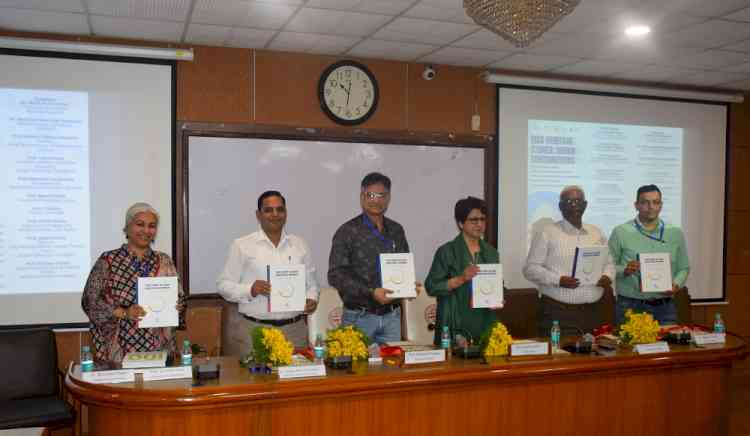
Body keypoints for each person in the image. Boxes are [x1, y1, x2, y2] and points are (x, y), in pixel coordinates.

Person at [217, 191, 320, 355]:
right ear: (258, 215)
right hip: (256, 331)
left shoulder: (300, 245)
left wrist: (311, 299)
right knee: (256, 380)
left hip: (295, 331)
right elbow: (223, 285)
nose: (275, 214)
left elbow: (312, 285)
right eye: (268, 210)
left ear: (286, 213)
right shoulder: (242, 245)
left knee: (296, 380)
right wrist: (250, 289)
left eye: (280, 209)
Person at [82, 202, 185, 364]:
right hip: (119, 350)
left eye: (152, 226)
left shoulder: (164, 260)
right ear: (127, 228)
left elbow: (179, 297)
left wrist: (178, 306)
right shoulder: (108, 260)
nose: (146, 230)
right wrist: (124, 312)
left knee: (159, 389)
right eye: (140, 224)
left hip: (159, 348)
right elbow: (90, 301)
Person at [328, 172, 419, 344]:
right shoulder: (347, 231)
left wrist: (408, 286)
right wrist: (371, 291)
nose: (376, 200)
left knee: (391, 369)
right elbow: (335, 275)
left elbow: (404, 265)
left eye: (381, 195)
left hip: (392, 317)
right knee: (357, 369)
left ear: (389, 198)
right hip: (359, 317)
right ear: (362, 196)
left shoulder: (396, 230)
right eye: (371, 195)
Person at [523, 186, 614, 336]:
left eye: (578, 201)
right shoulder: (547, 232)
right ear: (560, 206)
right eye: (569, 201)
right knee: (561, 357)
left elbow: (609, 263)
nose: (574, 205)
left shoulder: (596, 232)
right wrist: (558, 280)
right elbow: (530, 269)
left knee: (597, 357)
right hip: (559, 313)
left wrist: (607, 277)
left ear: (585, 205)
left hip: (595, 312)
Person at [609, 184, 689, 325]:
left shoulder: (675, 233)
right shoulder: (620, 232)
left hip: (665, 306)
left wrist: (676, 284)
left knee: (668, 347)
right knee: (630, 347)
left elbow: (684, 267)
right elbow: (608, 266)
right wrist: (625, 270)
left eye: (655, 202)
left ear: (661, 205)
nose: (651, 207)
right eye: (645, 202)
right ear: (636, 205)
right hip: (631, 306)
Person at [425, 197, 500, 346]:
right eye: (473, 220)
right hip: (454, 322)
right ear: (460, 223)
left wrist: (499, 296)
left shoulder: (491, 252)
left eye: (482, 219)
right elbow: (431, 286)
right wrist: (461, 278)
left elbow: (497, 283)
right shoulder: (447, 251)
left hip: (484, 320)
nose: (479, 224)